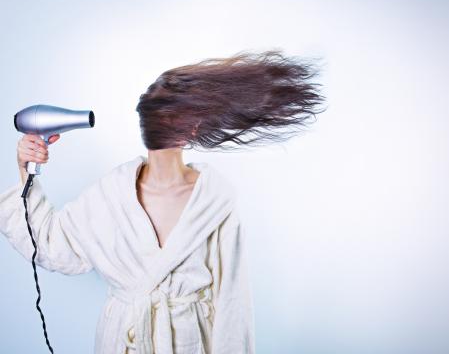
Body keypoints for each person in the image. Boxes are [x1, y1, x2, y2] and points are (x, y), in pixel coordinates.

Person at [0, 49, 327, 354]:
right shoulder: (110, 194)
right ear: (193, 127)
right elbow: (51, 247)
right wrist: (25, 172)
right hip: (123, 340)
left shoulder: (213, 202)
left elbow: (232, 305)